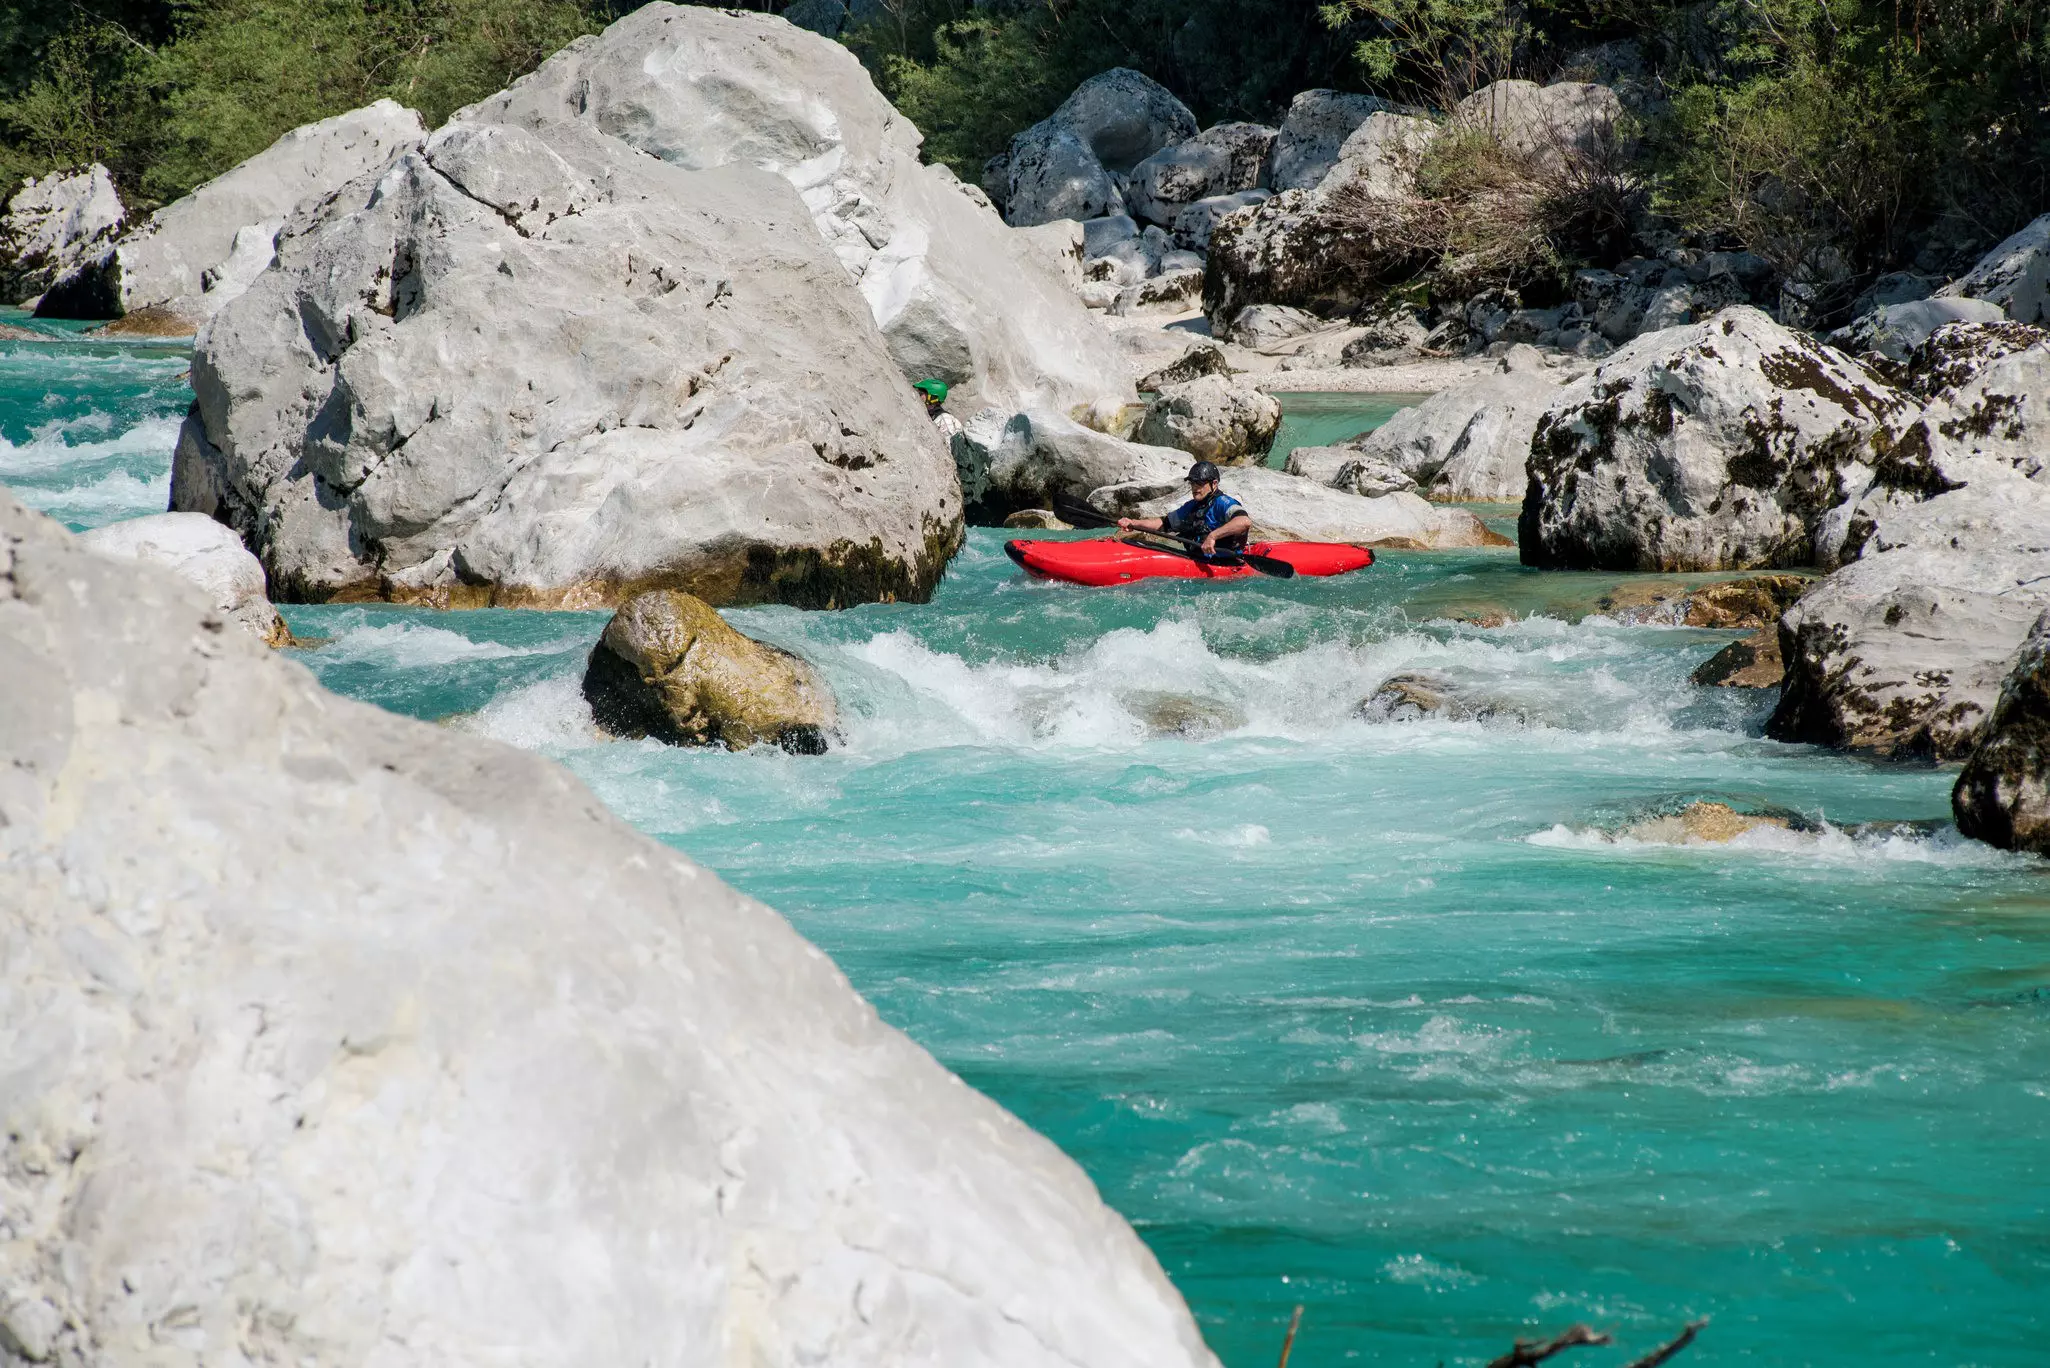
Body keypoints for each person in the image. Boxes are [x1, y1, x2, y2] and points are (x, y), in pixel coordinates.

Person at [1118, 461, 1252, 556]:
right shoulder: (1191, 506)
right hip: (1197, 559)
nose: (1194, 487)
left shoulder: (1223, 503)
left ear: (1214, 484)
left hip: (1224, 564)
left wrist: (1213, 536)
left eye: (1199, 483)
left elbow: (1244, 522)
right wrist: (1134, 523)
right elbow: (1163, 524)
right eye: (1192, 483)